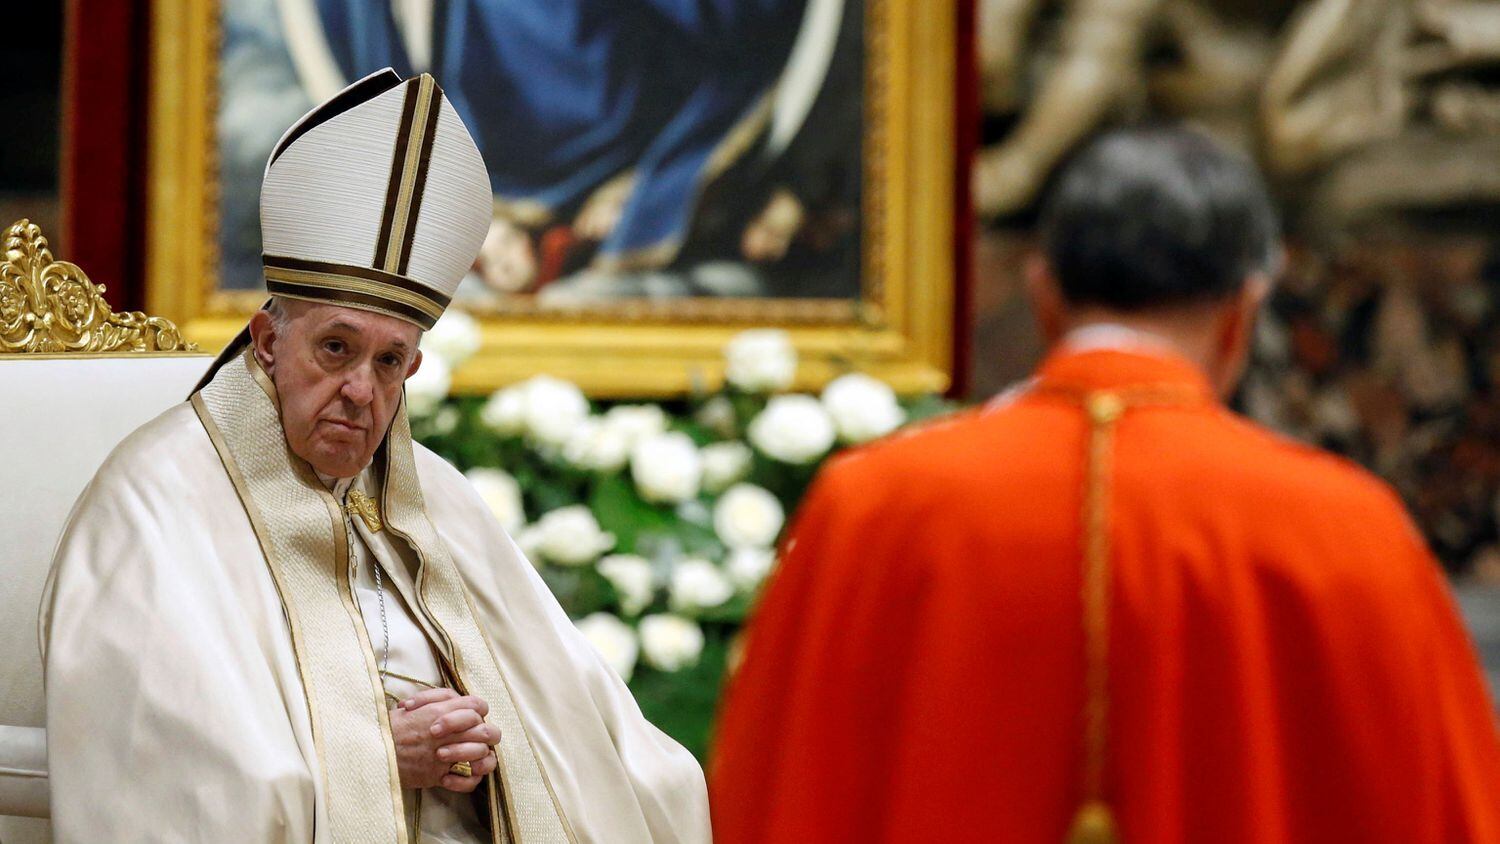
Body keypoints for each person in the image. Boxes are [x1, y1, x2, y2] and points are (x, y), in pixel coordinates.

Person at [710, 126, 1500, 842]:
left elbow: (769, 798)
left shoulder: (873, 505)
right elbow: (1445, 809)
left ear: (1043, 292)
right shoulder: (1345, 526)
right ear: (1246, 308)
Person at [42, 69, 710, 843]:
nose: (361, 390)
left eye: (389, 361)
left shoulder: (439, 498)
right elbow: (152, 768)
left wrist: (483, 745)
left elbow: (581, 717)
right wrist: (375, 759)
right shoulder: (154, 500)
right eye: (335, 348)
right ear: (267, 343)